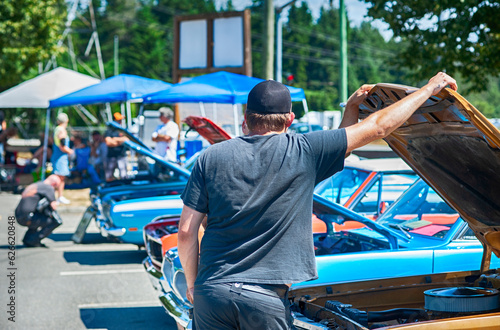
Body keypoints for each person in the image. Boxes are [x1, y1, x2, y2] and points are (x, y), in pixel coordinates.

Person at [177, 72, 458, 329]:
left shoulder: (209, 158)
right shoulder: (304, 151)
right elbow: (378, 127)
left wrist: (193, 286)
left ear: (246, 118)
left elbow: (187, 231)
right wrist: (429, 89)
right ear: (289, 119)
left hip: (211, 292)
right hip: (263, 300)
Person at [15, 175, 63, 247]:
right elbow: (53, 206)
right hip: (28, 217)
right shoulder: (48, 188)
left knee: (39, 217)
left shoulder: (37, 184)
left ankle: (27, 239)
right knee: (53, 222)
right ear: (54, 184)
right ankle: (34, 240)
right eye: (56, 188)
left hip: (20, 215)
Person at [50, 112, 74, 204]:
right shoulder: (62, 130)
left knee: (58, 177)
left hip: (57, 154)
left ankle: (57, 196)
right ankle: (58, 196)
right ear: (66, 120)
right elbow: (62, 145)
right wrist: (70, 151)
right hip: (61, 156)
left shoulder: (56, 129)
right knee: (60, 178)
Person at [104, 112, 128, 181]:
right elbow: (108, 142)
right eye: (119, 120)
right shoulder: (109, 130)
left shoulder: (123, 130)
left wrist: (115, 139)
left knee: (123, 175)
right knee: (109, 176)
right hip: (111, 156)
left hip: (121, 155)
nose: (120, 121)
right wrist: (120, 142)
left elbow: (127, 139)